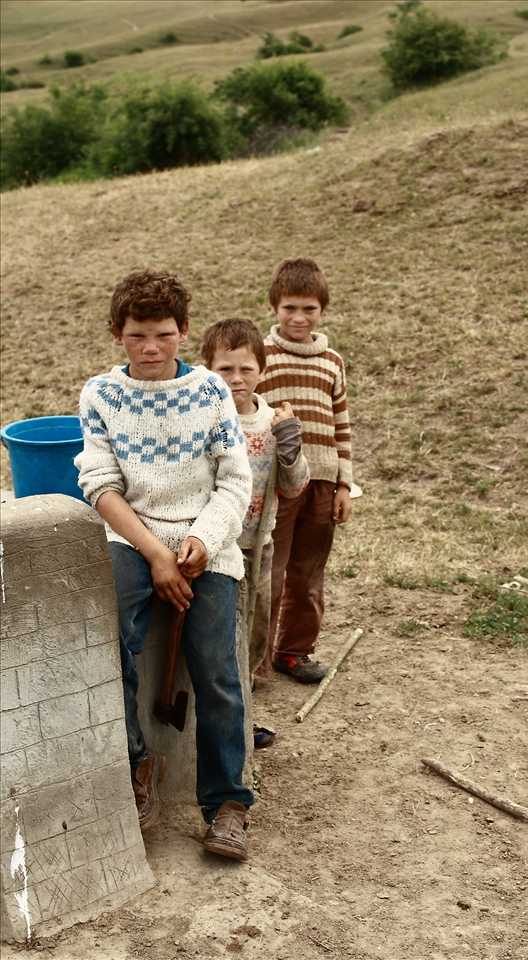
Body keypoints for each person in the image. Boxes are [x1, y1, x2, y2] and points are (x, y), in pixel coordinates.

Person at [75, 269, 254, 862]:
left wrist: (201, 540)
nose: (150, 348)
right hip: (132, 538)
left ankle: (227, 804)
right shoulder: (101, 395)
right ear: (116, 334)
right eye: (137, 336)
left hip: (207, 541)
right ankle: (137, 763)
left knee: (217, 669)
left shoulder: (210, 392)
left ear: (183, 331)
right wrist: (156, 554)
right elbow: (100, 486)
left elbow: (235, 481)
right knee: (108, 642)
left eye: (163, 335)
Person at [201, 318, 310, 745]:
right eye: (225, 369)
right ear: (207, 370)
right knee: (216, 636)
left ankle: (242, 719)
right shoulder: (203, 419)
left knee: (253, 634)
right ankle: (210, 723)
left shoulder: (271, 424)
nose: (236, 379)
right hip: (213, 548)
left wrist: (289, 440)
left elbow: (295, 487)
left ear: (262, 370)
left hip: (256, 547)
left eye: (246, 369)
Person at [256, 257, 353, 684]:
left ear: (322, 309)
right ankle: (256, 660)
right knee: (269, 574)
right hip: (277, 482)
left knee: (308, 575)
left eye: (309, 309)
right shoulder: (261, 355)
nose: (299, 317)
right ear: (274, 306)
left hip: (323, 482)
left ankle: (294, 651)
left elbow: (342, 425)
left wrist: (344, 484)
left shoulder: (332, 361)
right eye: (289, 308)